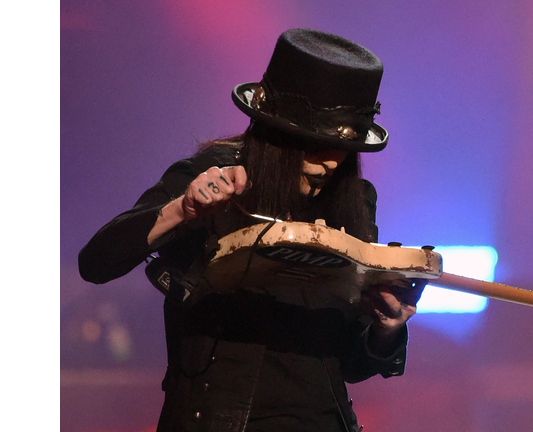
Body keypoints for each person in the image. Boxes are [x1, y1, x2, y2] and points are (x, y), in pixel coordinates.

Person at [79, 28, 425, 432]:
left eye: (343, 150)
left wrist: (386, 327)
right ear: (279, 133)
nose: (331, 163)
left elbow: (351, 364)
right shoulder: (210, 176)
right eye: (315, 144)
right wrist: (182, 209)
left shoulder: (355, 198)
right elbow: (96, 262)